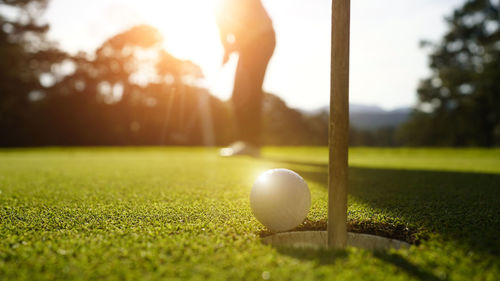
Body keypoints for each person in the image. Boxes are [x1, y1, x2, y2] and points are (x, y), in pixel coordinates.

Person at [216, 0, 276, 157]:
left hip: (261, 39)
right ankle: (246, 142)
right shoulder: (219, 7)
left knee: (247, 92)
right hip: (253, 42)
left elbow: (250, 25)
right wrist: (227, 50)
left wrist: (234, 46)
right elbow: (224, 29)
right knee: (241, 93)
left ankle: (250, 144)